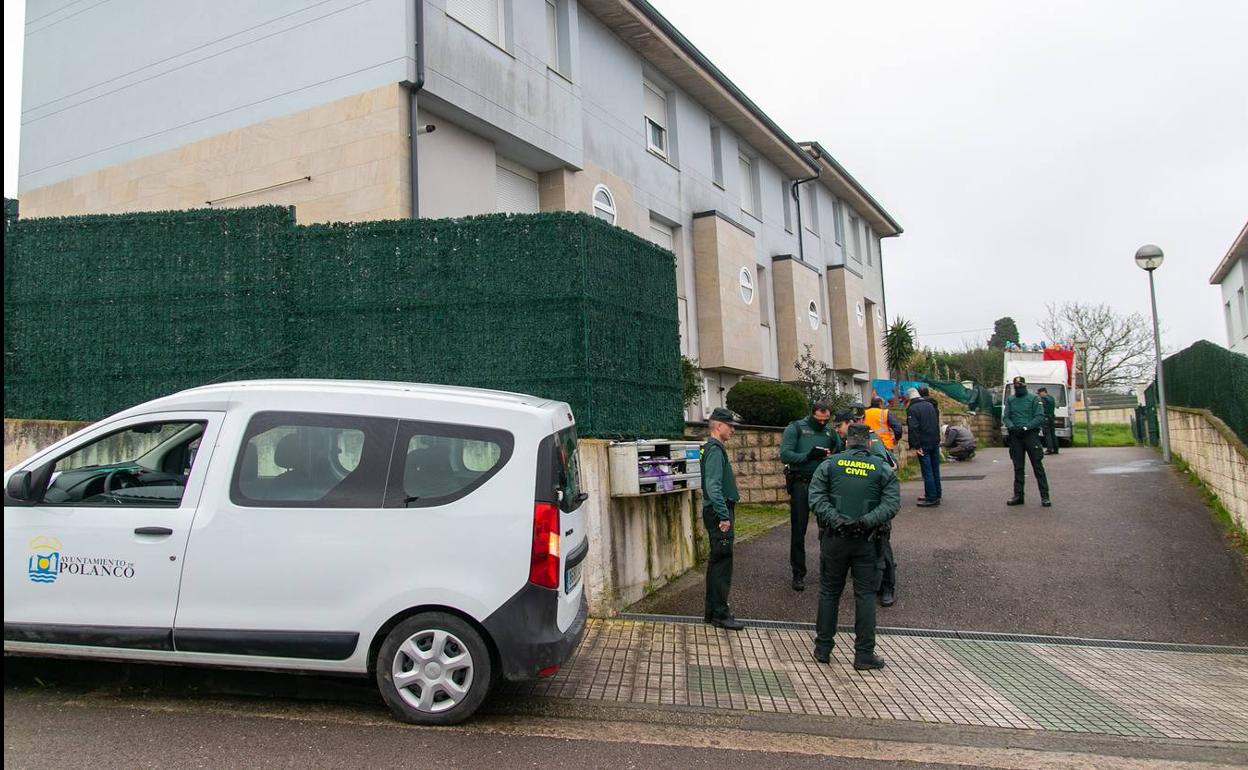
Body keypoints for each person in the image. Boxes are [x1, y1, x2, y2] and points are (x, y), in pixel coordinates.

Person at [809, 423, 901, 670]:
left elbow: (816, 497)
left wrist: (837, 520)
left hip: (834, 538)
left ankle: (823, 648)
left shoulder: (829, 465)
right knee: (865, 595)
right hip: (867, 540)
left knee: (829, 592)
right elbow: (891, 504)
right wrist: (864, 521)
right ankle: (863, 655)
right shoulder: (881, 468)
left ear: (847, 441)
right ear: (869, 443)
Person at [779, 401, 836, 592]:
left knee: (828, 529)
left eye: (825, 420)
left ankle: (829, 571)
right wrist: (808, 457)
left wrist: (831, 456)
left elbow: (841, 450)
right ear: (811, 415)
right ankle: (798, 573)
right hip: (800, 482)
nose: (822, 423)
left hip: (822, 485)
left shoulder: (829, 431)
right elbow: (785, 455)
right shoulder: (795, 428)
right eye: (818, 420)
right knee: (798, 529)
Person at [701, 407, 746, 630]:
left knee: (717, 561)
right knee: (722, 563)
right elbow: (713, 486)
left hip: (717, 510)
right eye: (730, 425)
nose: (733, 430)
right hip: (719, 512)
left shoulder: (711, 448)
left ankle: (712, 612)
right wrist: (723, 515)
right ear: (719, 425)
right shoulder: (715, 450)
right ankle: (720, 614)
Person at [851, 409, 899, 607]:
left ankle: (887, 587)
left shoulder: (872, 440)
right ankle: (873, 583)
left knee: (882, 544)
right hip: (859, 502)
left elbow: (886, 467)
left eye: (857, 419)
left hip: (875, 501)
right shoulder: (850, 440)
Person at [1003, 376, 1051, 507]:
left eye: (1020, 385)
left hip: (1030, 435)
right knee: (1018, 467)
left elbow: (1039, 416)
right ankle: (1018, 495)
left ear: (1024, 386)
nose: (1017, 388)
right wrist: (1011, 426)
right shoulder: (1011, 399)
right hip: (1015, 436)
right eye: (1015, 385)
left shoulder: (1034, 398)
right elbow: (1006, 416)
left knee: (1037, 466)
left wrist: (1026, 427)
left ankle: (1045, 496)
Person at [905, 387, 942, 507]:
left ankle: (931, 497)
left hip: (923, 444)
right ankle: (937, 493)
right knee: (935, 469)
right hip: (934, 441)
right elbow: (935, 423)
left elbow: (913, 428)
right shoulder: (930, 405)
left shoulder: (913, 409)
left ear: (909, 398)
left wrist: (916, 445)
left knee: (927, 471)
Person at [1037, 387, 1059, 455]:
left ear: (1043, 392)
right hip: (1052, 417)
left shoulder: (1044, 399)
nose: (1039, 395)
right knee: (1052, 433)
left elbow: (1041, 408)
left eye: (1040, 393)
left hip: (1046, 417)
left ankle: (1049, 449)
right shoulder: (1051, 398)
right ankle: (1055, 448)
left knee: (1047, 434)